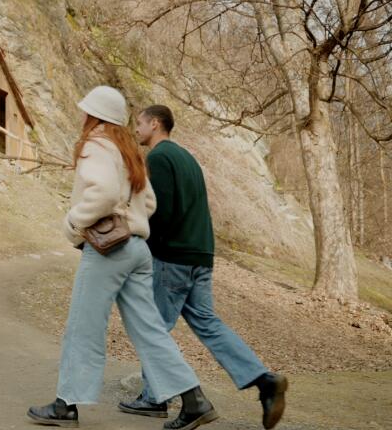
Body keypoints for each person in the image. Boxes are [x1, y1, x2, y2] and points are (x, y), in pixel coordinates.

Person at [28, 87, 218, 429]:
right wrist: (131, 218)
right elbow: (150, 203)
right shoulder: (129, 150)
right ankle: (194, 400)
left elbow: (103, 192)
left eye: (86, 110)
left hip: (108, 250)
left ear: (95, 115)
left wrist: (74, 222)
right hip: (137, 249)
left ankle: (65, 405)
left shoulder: (97, 144)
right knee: (149, 330)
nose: (82, 115)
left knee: (83, 327)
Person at [121, 105, 287, 429]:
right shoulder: (188, 158)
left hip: (173, 259)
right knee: (209, 324)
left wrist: (142, 247)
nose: (136, 128)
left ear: (155, 124)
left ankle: (158, 398)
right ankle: (264, 380)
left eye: (139, 123)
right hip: (200, 255)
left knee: (153, 328)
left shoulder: (159, 157)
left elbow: (160, 213)